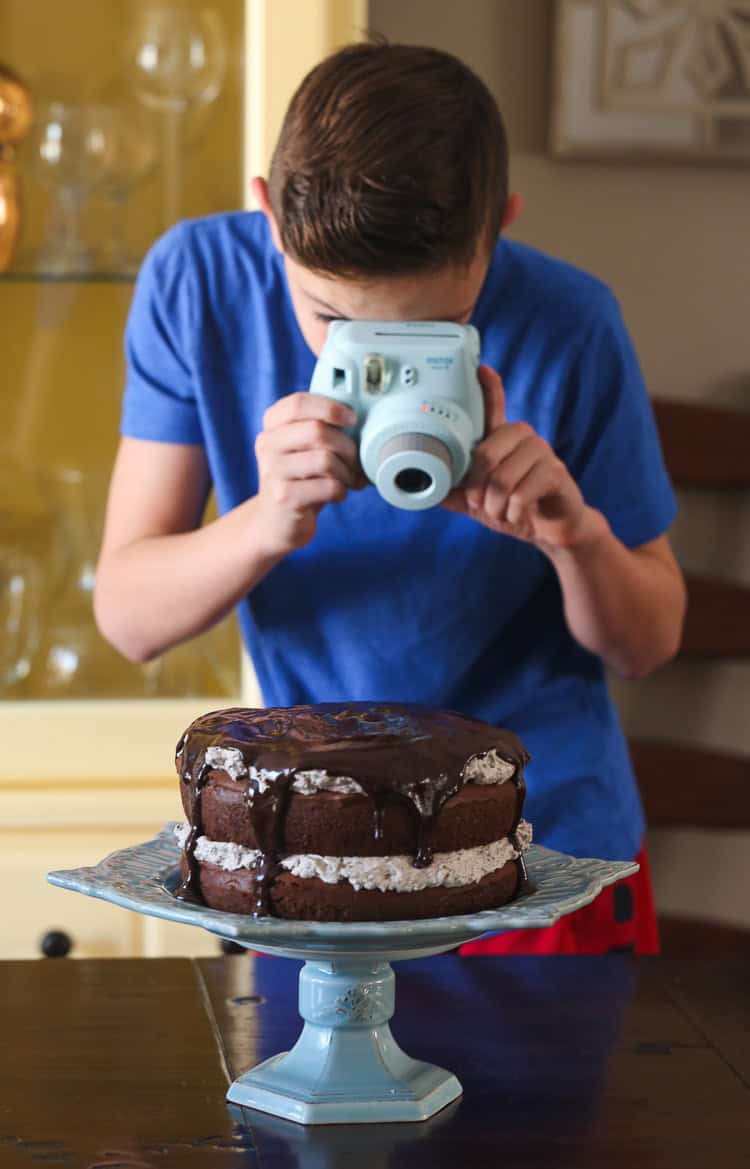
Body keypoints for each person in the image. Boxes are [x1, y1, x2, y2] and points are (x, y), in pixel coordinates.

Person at [94, 41, 686, 955]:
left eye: (437, 330)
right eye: (331, 319)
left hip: (545, 855)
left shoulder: (572, 321)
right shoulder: (200, 285)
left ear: (501, 230)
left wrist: (575, 537)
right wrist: (266, 522)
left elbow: (648, 643)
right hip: (304, 854)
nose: (381, 361)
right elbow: (129, 617)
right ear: (269, 218)